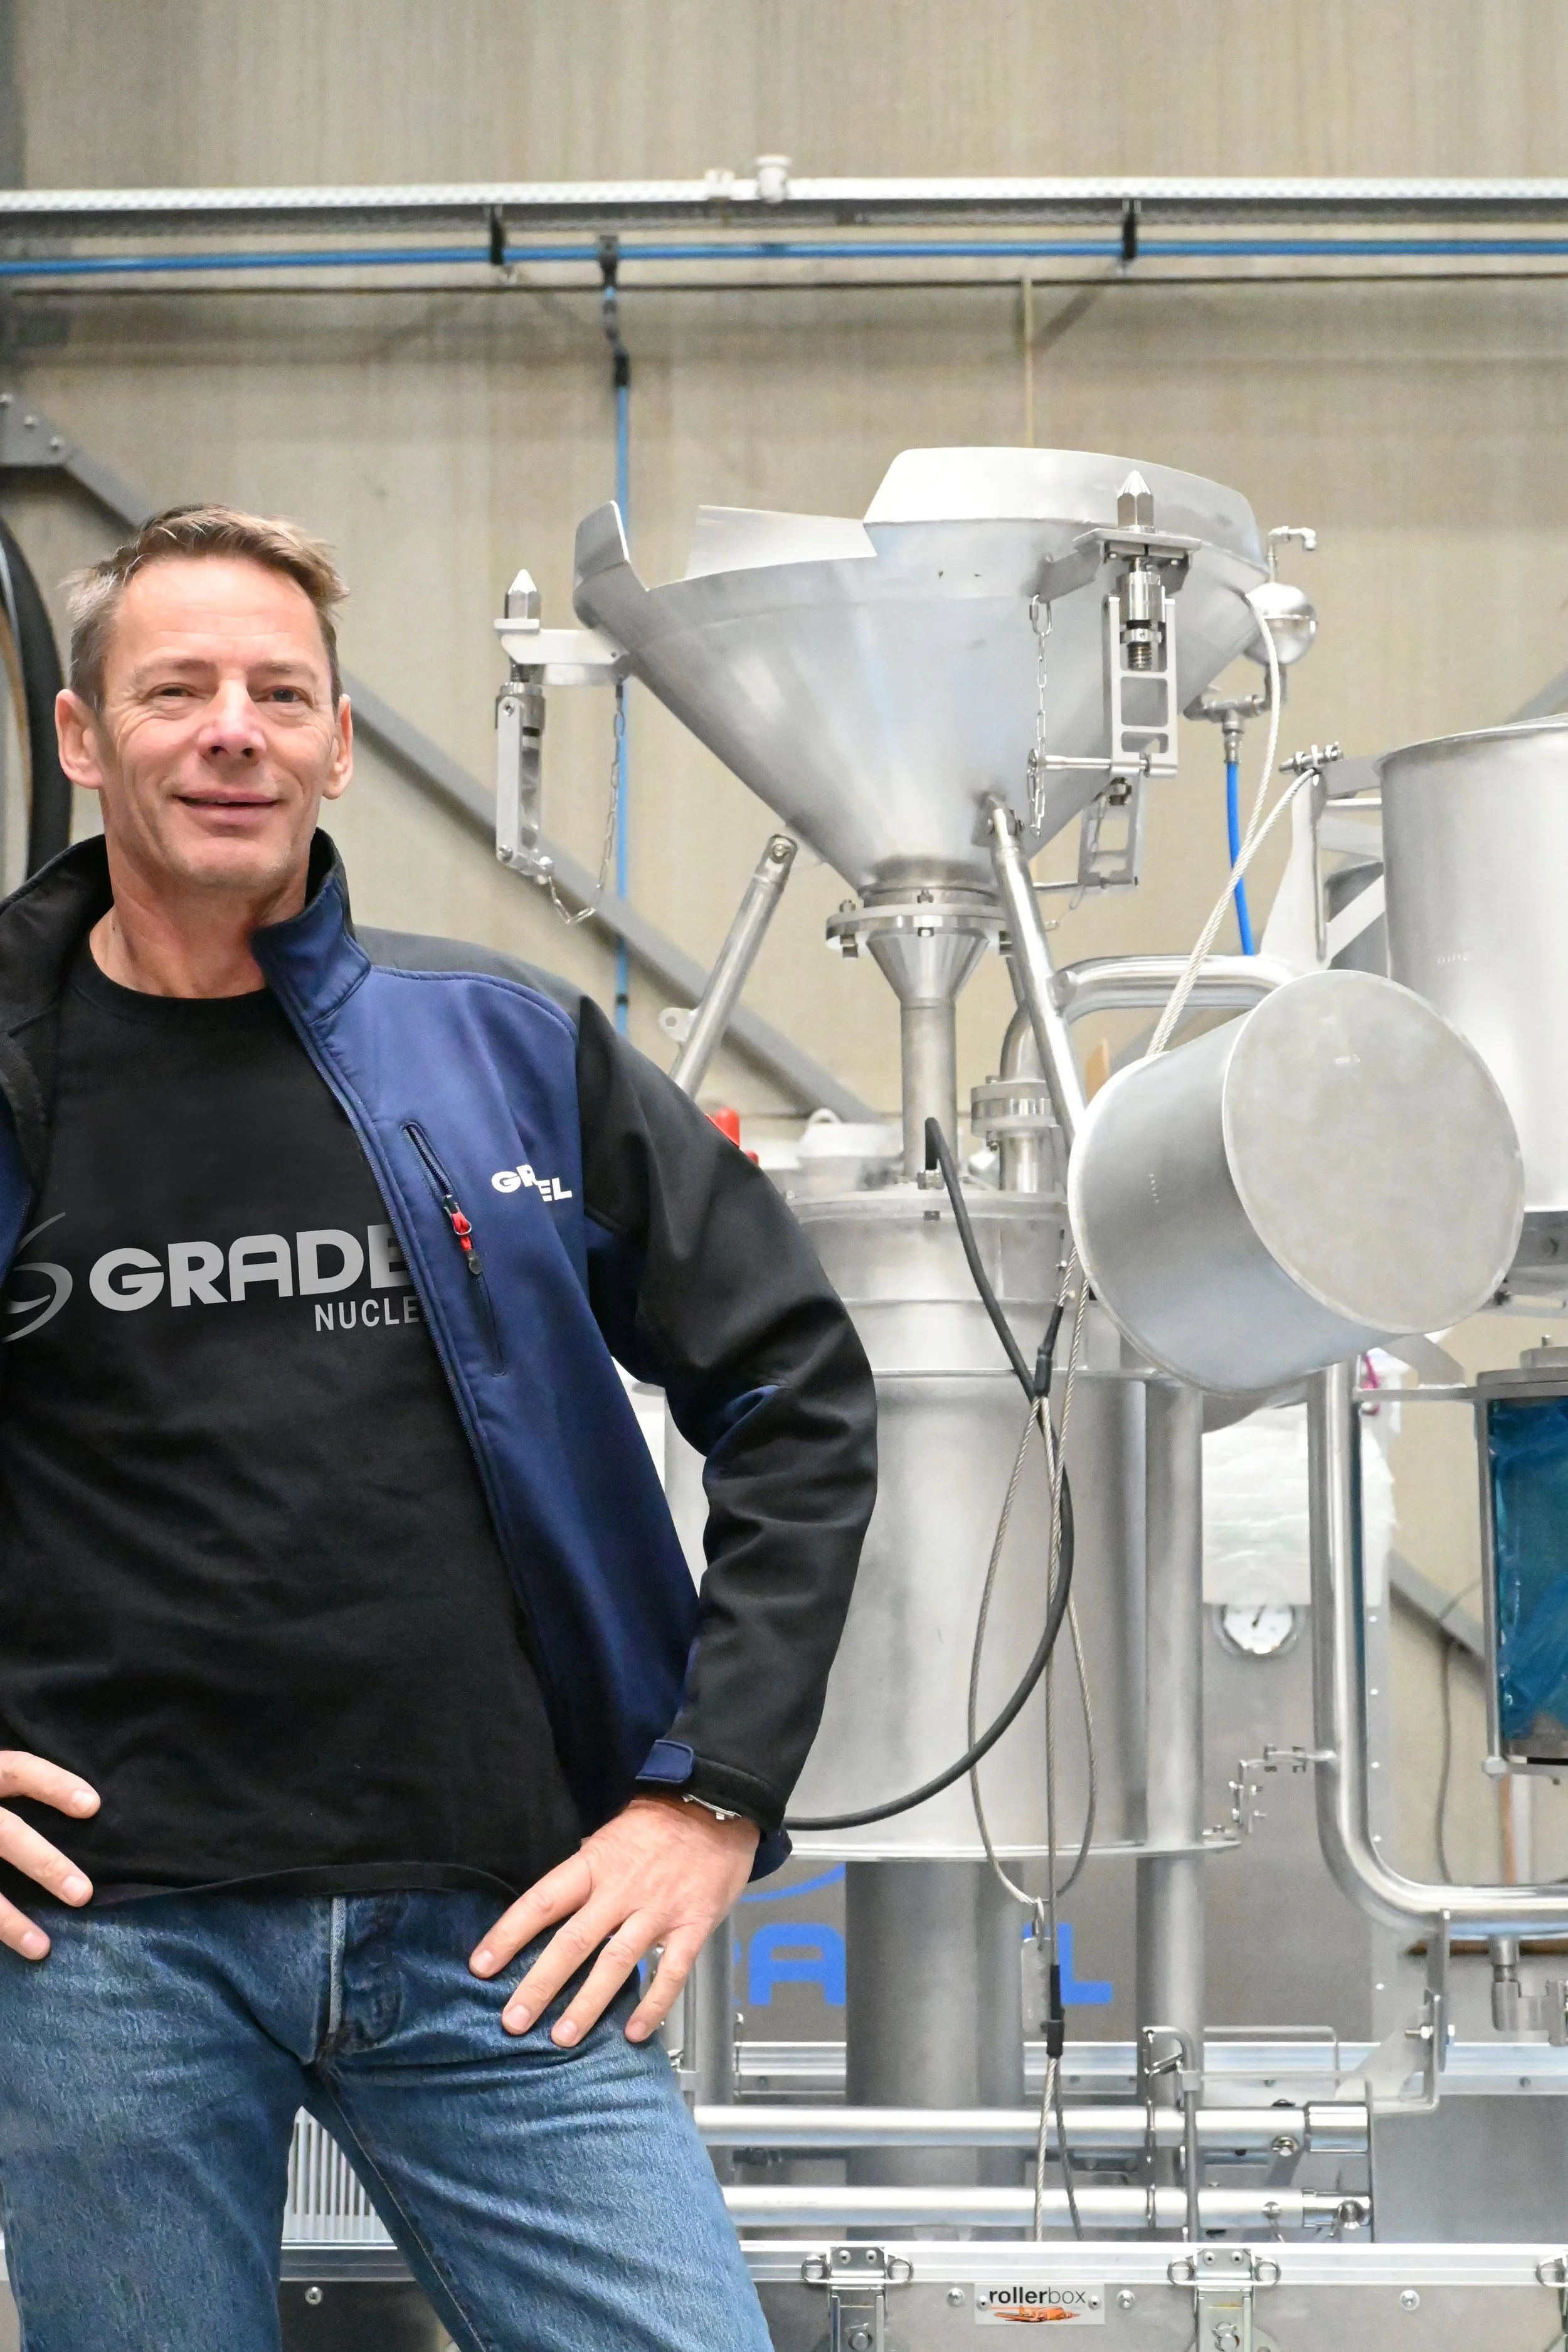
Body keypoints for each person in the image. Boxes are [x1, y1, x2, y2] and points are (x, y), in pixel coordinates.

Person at [0, 505, 876, 2352]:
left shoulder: (503, 1050)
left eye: (279, 694)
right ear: (80, 736)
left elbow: (794, 1392)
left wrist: (714, 1793)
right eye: (175, 690)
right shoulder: (8, 1078)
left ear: (337, 742)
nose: (231, 731)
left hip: (503, 1926)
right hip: (106, 1951)